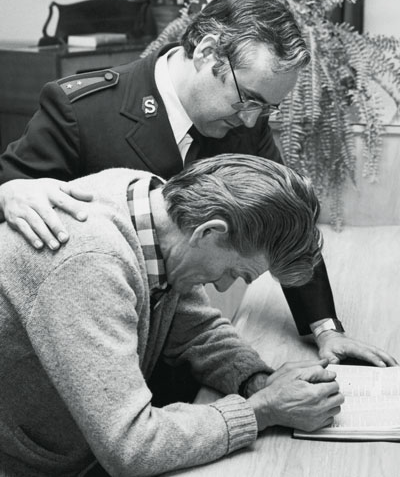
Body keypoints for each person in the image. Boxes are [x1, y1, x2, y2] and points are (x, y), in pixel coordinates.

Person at [0, 0, 395, 366]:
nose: (252, 120)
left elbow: (285, 223)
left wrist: (325, 328)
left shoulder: (245, 121)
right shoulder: (82, 112)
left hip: (186, 348)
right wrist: (7, 191)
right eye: (249, 99)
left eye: (267, 108)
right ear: (207, 52)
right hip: (89, 352)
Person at [0, 155, 345, 477]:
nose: (225, 287)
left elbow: (197, 331)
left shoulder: (154, 209)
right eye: (237, 272)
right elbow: (131, 445)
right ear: (209, 232)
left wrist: (260, 381)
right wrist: (261, 411)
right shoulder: (90, 262)